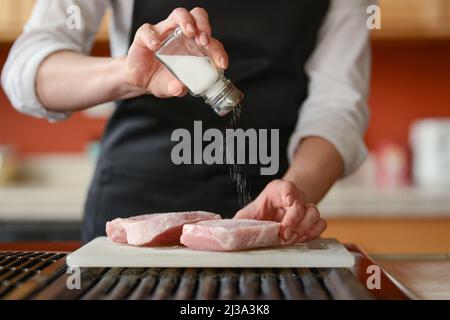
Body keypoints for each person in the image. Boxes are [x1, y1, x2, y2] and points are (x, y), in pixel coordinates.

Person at [1, 0, 371, 244]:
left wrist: (295, 190)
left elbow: (337, 109)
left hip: (265, 216)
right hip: (135, 207)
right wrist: (128, 75)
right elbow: (26, 71)